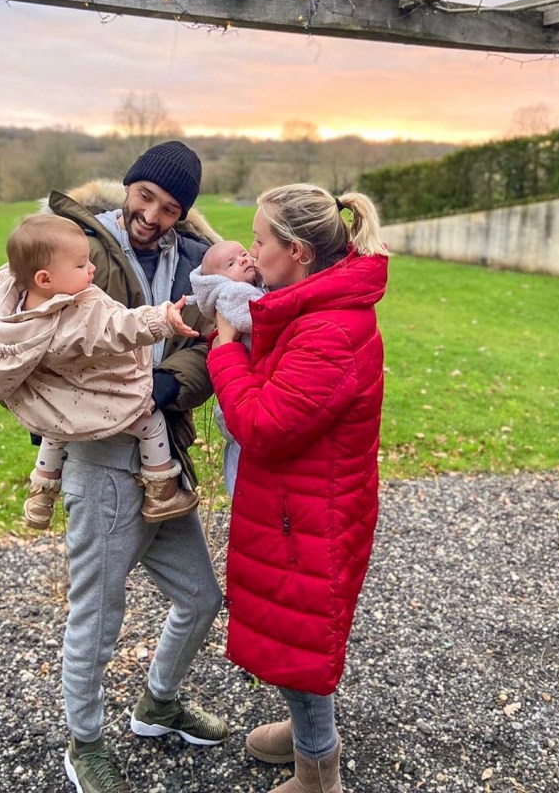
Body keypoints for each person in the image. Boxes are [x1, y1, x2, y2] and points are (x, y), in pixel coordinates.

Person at [43, 141, 228, 793]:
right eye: (145, 197)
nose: (152, 215)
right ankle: (84, 743)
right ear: (130, 187)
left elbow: (212, 347)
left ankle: (158, 704)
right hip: (97, 458)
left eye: (170, 207)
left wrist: (162, 389)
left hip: (162, 454)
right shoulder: (78, 249)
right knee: (97, 614)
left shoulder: (198, 265)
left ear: (183, 213)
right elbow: (40, 336)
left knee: (202, 598)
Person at [206, 183, 389, 793]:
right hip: (298, 505)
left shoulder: (331, 330)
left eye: (260, 242)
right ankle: (308, 734)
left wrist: (224, 352)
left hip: (312, 515)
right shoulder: (309, 305)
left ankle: (319, 769)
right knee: (291, 631)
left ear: (300, 252)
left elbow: (262, 425)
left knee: (299, 638)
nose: (252, 254)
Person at [0, 213, 201, 530]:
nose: (91, 269)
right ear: (45, 279)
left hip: (53, 403)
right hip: (96, 397)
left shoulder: (10, 310)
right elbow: (120, 327)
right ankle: (162, 493)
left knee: (55, 430)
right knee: (149, 421)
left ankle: (41, 495)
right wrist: (162, 319)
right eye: (81, 265)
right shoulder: (76, 316)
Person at [188, 240, 263, 494]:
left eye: (243, 255)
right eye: (231, 264)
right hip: (242, 385)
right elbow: (259, 316)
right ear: (215, 281)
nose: (243, 260)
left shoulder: (248, 286)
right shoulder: (231, 294)